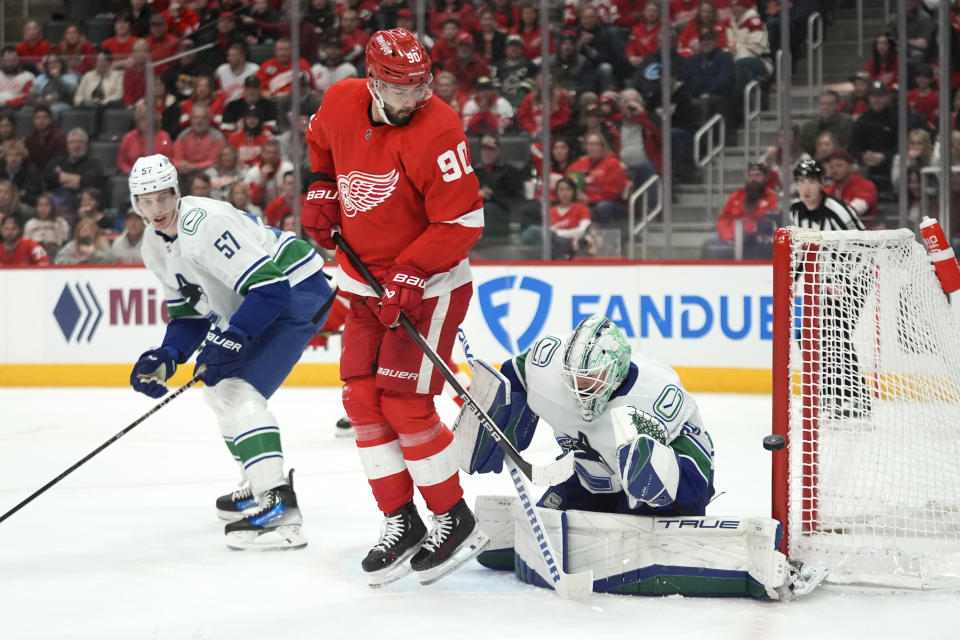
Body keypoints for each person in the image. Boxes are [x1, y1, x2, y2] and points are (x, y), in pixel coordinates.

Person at [301, 28, 489, 587]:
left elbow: (463, 222)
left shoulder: (439, 127)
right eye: (400, 89)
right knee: (361, 400)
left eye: (420, 87)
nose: (412, 99)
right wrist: (320, 188)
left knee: (404, 403)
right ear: (374, 79)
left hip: (429, 287)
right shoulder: (339, 101)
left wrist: (414, 269)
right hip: (363, 282)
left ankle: (452, 515)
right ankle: (399, 519)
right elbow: (321, 147)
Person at [127, 153, 333, 550]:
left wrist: (235, 335)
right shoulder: (153, 247)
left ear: (177, 193)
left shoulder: (204, 223)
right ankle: (259, 485)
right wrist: (168, 355)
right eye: (146, 200)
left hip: (298, 290)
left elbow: (270, 287)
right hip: (262, 300)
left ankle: (281, 511)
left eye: (163, 197)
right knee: (218, 390)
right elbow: (189, 315)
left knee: (238, 391)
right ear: (136, 203)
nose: (156, 209)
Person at [790, 158, 870, 420]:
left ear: (822, 184)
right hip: (823, 285)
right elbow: (800, 251)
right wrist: (790, 280)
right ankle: (828, 393)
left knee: (835, 331)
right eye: (801, 181)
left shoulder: (838, 211)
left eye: (811, 181)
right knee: (806, 336)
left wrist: (845, 282)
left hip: (855, 279)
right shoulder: (796, 211)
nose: (806, 187)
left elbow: (864, 247)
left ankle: (855, 397)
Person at [705, 162, 779, 259]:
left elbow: (772, 222)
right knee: (709, 244)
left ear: (765, 178)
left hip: (758, 240)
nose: (754, 179)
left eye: (758, 176)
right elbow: (723, 220)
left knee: (762, 249)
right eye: (751, 176)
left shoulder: (771, 198)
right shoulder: (736, 196)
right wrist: (729, 237)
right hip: (734, 238)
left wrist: (760, 235)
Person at [824, 149, 879, 222]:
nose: (834, 170)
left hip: (865, 231)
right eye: (831, 167)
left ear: (851, 167)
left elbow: (852, 211)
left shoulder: (866, 186)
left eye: (839, 165)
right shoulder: (830, 189)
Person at [798, 90, 854, 158]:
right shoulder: (809, 127)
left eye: (830, 104)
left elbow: (849, 147)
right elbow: (805, 150)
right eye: (823, 104)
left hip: (841, 161)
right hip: (816, 162)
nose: (826, 108)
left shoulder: (848, 123)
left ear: (838, 105)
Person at [23, 192, 69, 259]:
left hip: (55, 254)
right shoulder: (30, 224)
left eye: (46, 205)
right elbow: (25, 245)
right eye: (40, 205)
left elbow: (64, 242)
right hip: (35, 255)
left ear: (52, 206)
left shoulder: (60, 222)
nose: (43, 209)